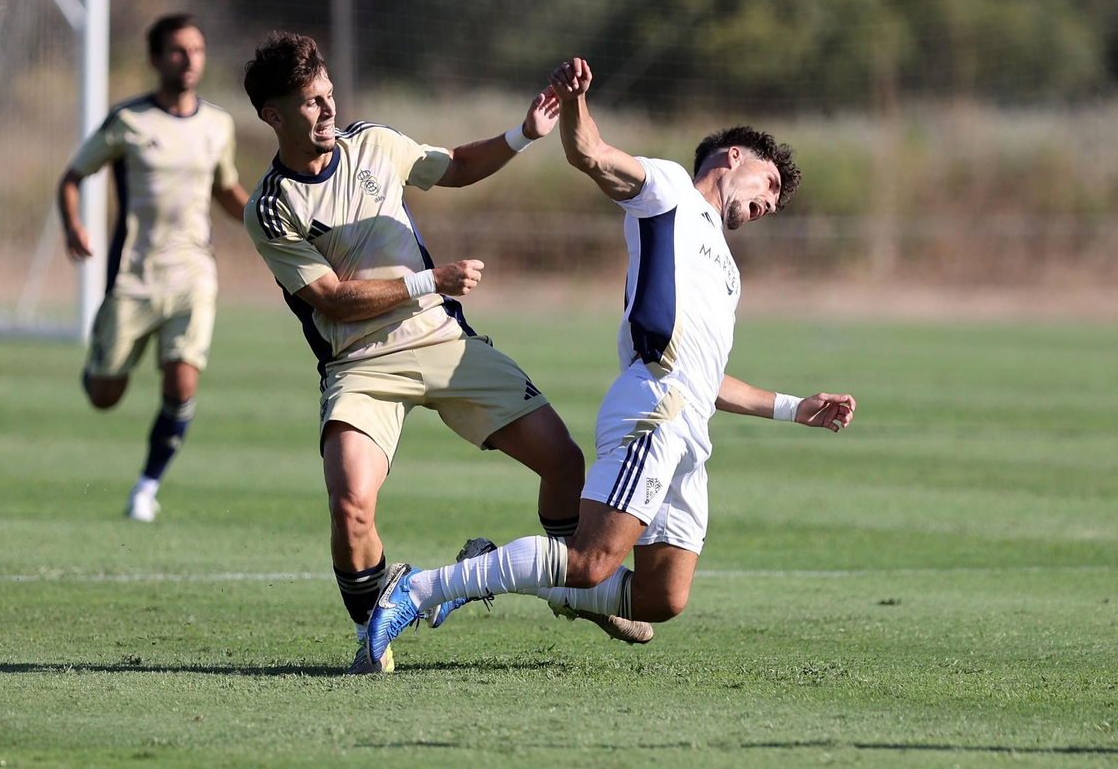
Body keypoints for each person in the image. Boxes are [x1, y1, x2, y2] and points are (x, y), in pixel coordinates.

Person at [365, 58, 857, 665]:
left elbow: (709, 381)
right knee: (592, 561)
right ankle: (415, 590)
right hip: (655, 405)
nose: (771, 203)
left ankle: (494, 569)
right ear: (733, 157)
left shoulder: (727, 272)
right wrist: (574, 101)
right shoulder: (670, 189)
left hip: (690, 422)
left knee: (661, 598)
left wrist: (792, 407)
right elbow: (589, 153)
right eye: (771, 184)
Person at [239, 33, 607, 674]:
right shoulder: (271, 209)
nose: (327, 111)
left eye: (328, 96)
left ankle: (571, 585)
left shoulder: (374, 143)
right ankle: (375, 625)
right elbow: (331, 299)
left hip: (440, 338)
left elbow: (454, 166)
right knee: (350, 506)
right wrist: (426, 281)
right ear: (274, 116)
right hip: (360, 365)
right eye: (310, 103)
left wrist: (522, 135)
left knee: (566, 463)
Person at [57, 14, 248, 522]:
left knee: (182, 383)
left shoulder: (218, 125)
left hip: (193, 274)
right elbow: (72, 177)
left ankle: (146, 487)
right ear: (156, 58)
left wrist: (266, 222)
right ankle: (100, 360)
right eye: (179, 51)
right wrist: (74, 225)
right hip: (134, 276)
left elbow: (226, 190)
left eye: (198, 50)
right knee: (104, 396)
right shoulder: (129, 120)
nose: (190, 61)